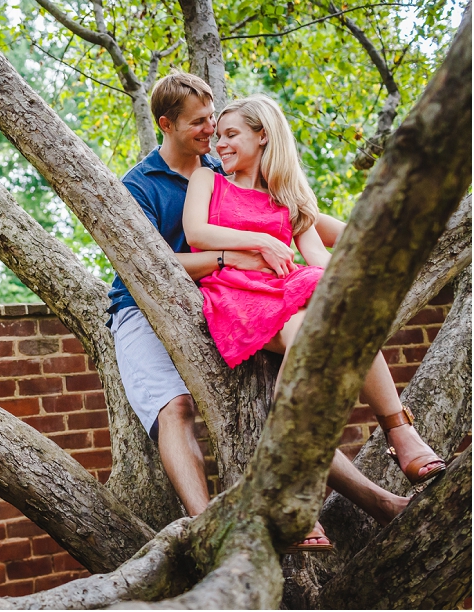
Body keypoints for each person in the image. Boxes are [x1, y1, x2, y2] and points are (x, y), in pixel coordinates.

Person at [107, 73, 418, 551]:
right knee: (176, 407)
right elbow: (147, 263)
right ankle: (211, 526)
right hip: (146, 304)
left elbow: (301, 220)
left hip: (239, 298)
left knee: (293, 396)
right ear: (165, 125)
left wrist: (371, 228)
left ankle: (379, 489)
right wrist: (239, 254)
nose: (212, 130)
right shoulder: (142, 185)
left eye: (216, 120)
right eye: (200, 123)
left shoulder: (221, 164)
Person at [181, 93, 445, 548]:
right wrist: (262, 243)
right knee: (323, 311)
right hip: (240, 297)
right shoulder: (207, 179)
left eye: (231, 135)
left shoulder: (289, 198)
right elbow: (196, 234)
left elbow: (319, 260)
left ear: (262, 136)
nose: (219, 144)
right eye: (218, 135)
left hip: (294, 302)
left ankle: (393, 434)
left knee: (329, 309)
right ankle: (378, 443)